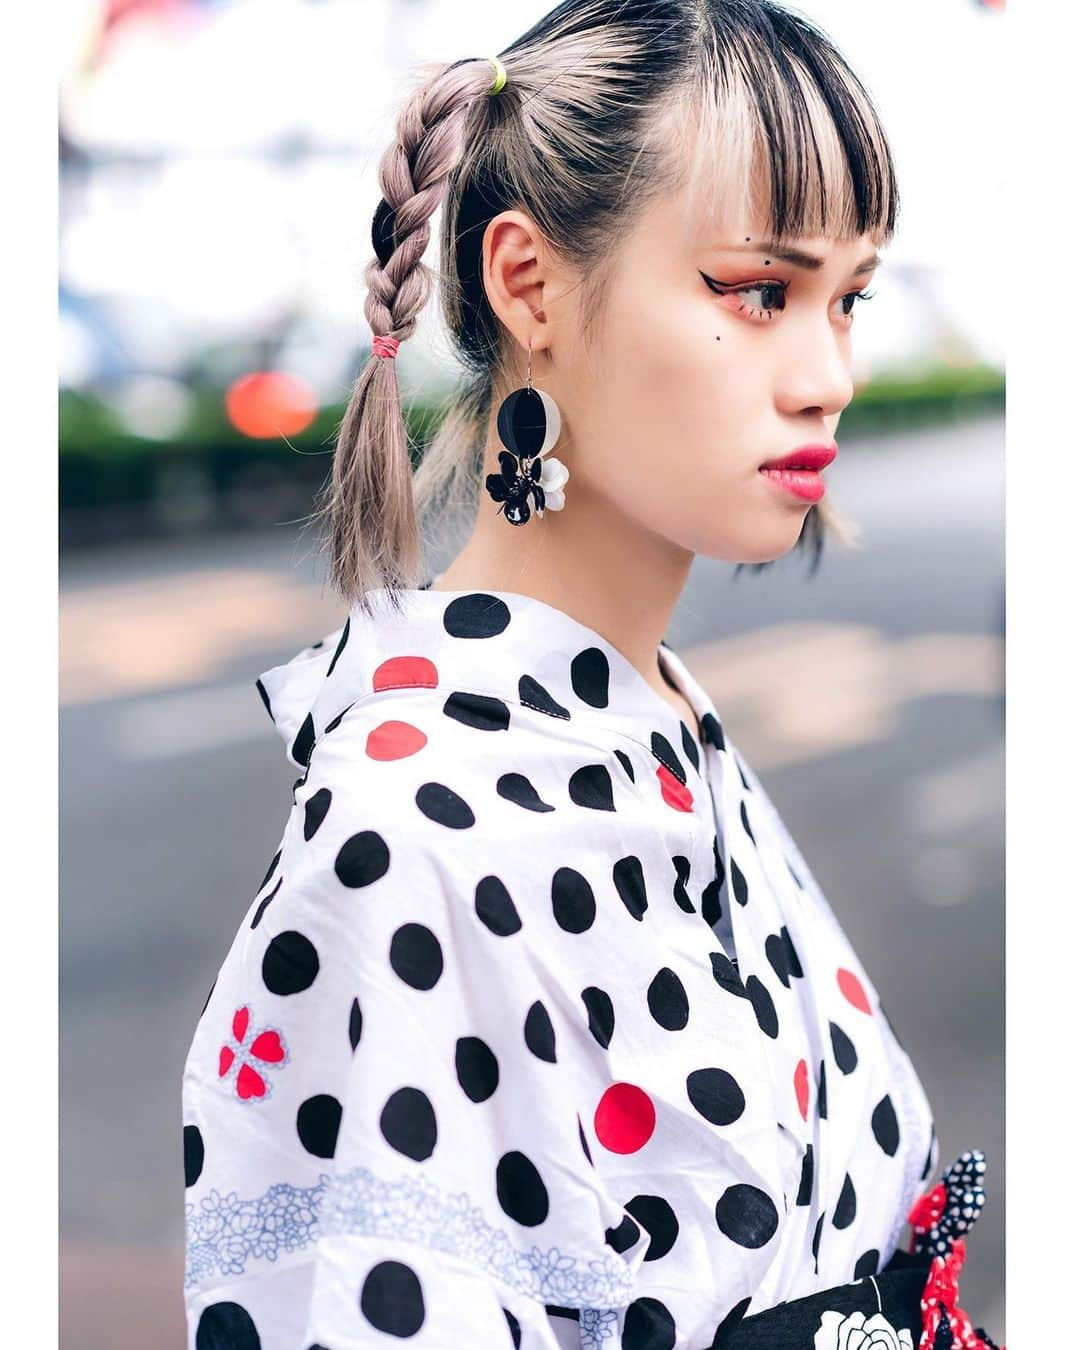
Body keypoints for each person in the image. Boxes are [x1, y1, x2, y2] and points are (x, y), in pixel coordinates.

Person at [182, 3, 1001, 1346]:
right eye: (760, 292)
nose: (829, 375)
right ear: (530, 284)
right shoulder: (408, 835)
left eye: (850, 299)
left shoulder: (660, 710)